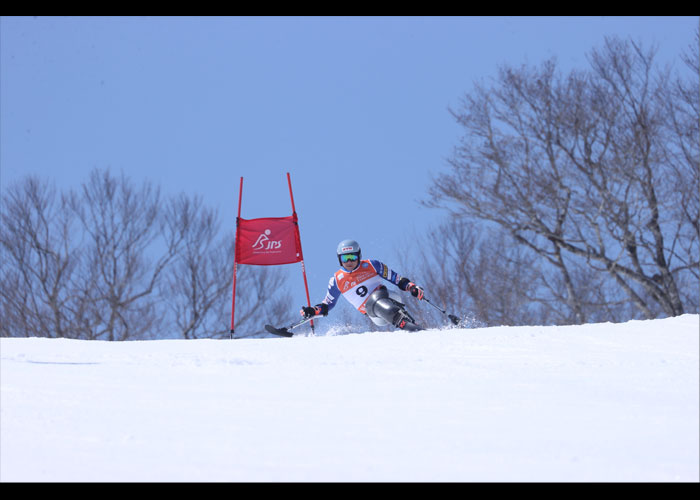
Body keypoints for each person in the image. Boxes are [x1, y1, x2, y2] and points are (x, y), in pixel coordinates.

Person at [300, 239, 425, 330]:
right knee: (371, 303)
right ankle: (403, 322)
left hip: (388, 298)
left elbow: (396, 279)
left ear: (359, 256)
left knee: (376, 299)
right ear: (339, 259)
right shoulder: (337, 280)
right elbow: (328, 304)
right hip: (374, 314)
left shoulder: (372, 265)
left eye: (352, 257)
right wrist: (313, 311)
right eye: (345, 258)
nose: (349, 262)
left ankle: (409, 324)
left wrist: (412, 287)